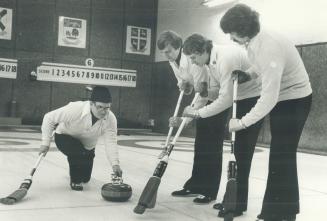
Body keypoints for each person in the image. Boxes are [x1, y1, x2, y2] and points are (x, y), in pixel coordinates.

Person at [220, 4, 312, 221]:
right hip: (284, 98)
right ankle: (277, 210)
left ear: (242, 30)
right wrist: (249, 75)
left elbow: (268, 98)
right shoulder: (255, 41)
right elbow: (263, 66)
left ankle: (283, 212)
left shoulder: (268, 45)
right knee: (279, 153)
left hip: (295, 100)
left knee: (283, 153)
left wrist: (242, 122)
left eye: (232, 34)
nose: (231, 38)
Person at [181, 34, 262, 217]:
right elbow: (218, 91)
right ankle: (231, 199)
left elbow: (225, 99)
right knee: (239, 151)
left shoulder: (226, 58)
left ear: (201, 51)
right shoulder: (210, 61)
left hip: (252, 99)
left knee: (242, 152)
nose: (193, 63)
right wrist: (205, 91)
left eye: (193, 57)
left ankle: (237, 204)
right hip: (239, 98)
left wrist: (197, 113)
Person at [157, 31, 218, 204]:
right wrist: (184, 85)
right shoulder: (172, 61)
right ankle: (195, 185)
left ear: (178, 47)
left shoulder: (193, 62)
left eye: (168, 51)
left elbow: (202, 95)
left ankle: (210, 191)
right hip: (202, 99)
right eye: (163, 51)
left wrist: (185, 120)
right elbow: (187, 85)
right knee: (200, 146)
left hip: (213, 100)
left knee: (210, 147)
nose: (165, 55)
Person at [39, 86, 122, 191]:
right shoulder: (76, 108)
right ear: (91, 103)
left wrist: (115, 164)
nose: (103, 111)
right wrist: (45, 143)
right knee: (77, 155)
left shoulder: (110, 119)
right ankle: (75, 180)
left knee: (85, 178)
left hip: (87, 146)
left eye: (107, 108)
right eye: (100, 107)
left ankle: (78, 169)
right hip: (65, 137)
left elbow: (111, 142)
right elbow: (49, 118)